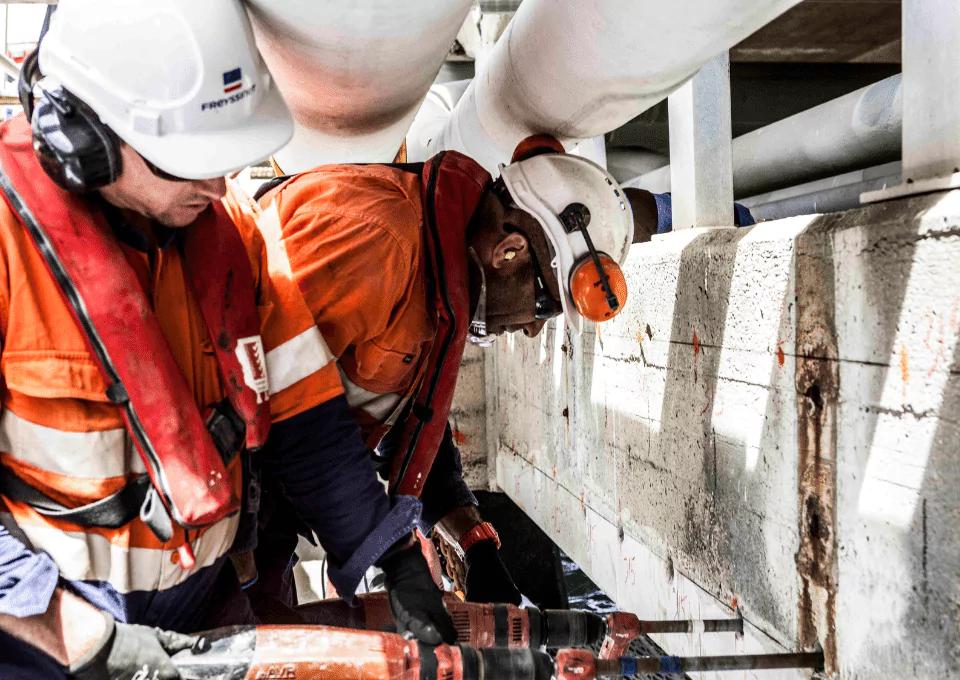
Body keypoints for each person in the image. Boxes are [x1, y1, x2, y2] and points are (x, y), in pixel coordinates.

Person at [0, 2, 452, 679]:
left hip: (204, 624)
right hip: (47, 648)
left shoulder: (235, 237)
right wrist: (82, 642)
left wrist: (395, 559)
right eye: (192, 161)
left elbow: (314, 432)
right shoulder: (9, 243)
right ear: (84, 138)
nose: (218, 184)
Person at [254, 134, 634, 607]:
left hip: (256, 516)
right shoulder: (382, 243)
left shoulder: (436, 273)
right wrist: (397, 558)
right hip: (202, 507)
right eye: (542, 305)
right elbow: (293, 421)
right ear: (510, 251)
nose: (534, 331)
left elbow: (409, 420)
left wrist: (473, 541)